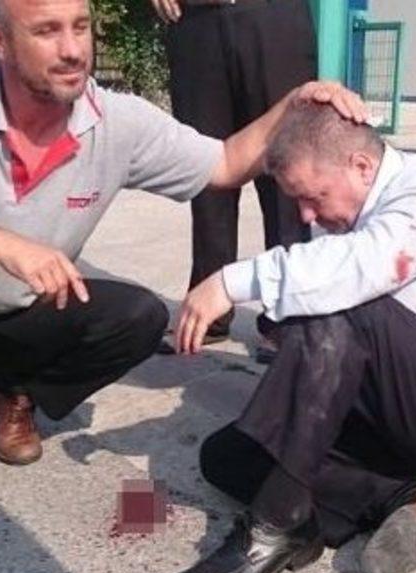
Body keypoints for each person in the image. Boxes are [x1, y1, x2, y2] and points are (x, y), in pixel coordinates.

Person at [0, 0, 366, 538]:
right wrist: (2, 244)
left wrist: (295, 102)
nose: (73, 50)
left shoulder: (115, 120)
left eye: (81, 27)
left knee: (139, 317)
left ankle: (14, 391)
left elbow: (227, 162)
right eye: (47, 31)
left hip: (27, 312)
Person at [158, 103, 416, 573]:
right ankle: (408, 495)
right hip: (388, 404)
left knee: (341, 308)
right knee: (227, 457)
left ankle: (275, 527)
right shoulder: (345, 212)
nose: (306, 215)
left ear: (361, 166)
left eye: (312, 197)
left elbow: (359, 269)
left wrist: (229, 283)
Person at [150, 0, 317, 362]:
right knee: (205, 166)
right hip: (196, 22)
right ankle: (208, 310)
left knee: (287, 168)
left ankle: (288, 315)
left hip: (272, 18)